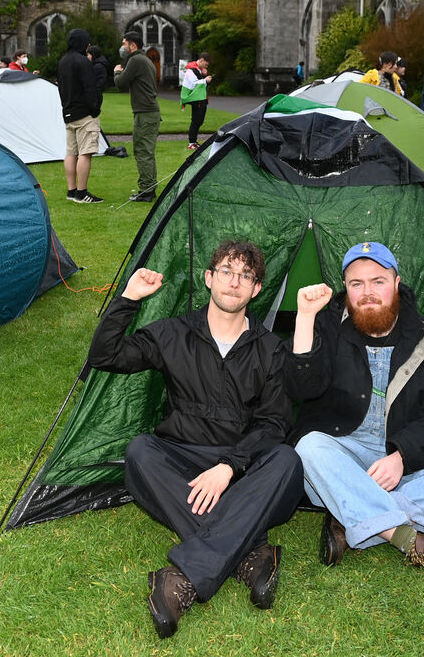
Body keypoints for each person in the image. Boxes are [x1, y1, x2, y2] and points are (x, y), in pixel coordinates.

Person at [86, 240, 304, 639]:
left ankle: (183, 577)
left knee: (287, 461)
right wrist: (129, 298)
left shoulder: (272, 349)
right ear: (209, 278)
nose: (234, 282)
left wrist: (229, 467)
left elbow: (274, 424)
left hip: (244, 472)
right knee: (139, 452)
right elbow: (105, 355)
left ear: (256, 290)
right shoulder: (172, 333)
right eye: (226, 271)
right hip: (182, 463)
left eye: (246, 276)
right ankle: (247, 552)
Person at [287, 242, 424, 596]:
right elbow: (300, 387)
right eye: (356, 284)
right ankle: (411, 540)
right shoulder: (327, 324)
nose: (368, 292)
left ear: (397, 283)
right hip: (340, 454)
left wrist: (402, 455)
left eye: (378, 281)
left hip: (398, 458)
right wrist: (304, 317)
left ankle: (350, 519)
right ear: (346, 290)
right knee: (307, 448)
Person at [113, 31, 161, 202]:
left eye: (124, 43)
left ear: (133, 45)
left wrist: (117, 72)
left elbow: (121, 83)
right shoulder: (145, 60)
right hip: (149, 112)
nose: (123, 47)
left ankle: (146, 190)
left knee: (142, 151)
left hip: (145, 114)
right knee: (146, 151)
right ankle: (149, 187)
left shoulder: (135, 60)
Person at [57, 28, 104, 203]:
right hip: (84, 113)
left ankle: (72, 190)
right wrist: (95, 109)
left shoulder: (63, 61)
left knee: (71, 152)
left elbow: (61, 87)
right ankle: (82, 192)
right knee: (85, 153)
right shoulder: (83, 61)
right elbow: (90, 88)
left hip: (68, 112)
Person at [180, 53, 212, 150]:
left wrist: (204, 76)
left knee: (199, 120)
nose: (206, 67)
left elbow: (198, 82)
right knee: (196, 120)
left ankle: (194, 141)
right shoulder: (191, 70)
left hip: (200, 99)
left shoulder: (197, 70)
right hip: (197, 99)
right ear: (201, 60)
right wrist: (205, 80)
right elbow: (194, 84)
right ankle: (191, 142)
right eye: (206, 64)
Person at [87, 44, 110, 112]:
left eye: (88, 54)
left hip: (95, 96)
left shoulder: (98, 66)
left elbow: (100, 82)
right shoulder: (96, 65)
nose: (87, 57)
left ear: (93, 55)